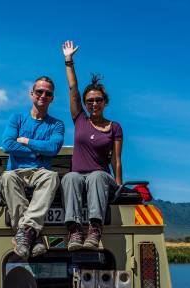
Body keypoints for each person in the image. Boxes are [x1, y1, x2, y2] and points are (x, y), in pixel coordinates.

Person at [61, 40, 123, 251]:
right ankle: (75, 230)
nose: (93, 104)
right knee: (69, 176)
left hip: (101, 178)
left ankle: (95, 229)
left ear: (105, 102)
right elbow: (73, 89)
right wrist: (69, 61)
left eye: (98, 100)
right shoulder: (80, 120)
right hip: (79, 178)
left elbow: (116, 159)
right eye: (89, 101)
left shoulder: (114, 127)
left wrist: (119, 186)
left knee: (96, 175)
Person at [0, 76, 64, 259]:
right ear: (31, 94)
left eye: (48, 93)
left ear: (52, 98)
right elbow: (8, 145)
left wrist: (26, 141)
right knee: (7, 177)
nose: (43, 95)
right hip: (17, 172)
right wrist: (38, 151)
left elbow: (53, 148)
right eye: (39, 91)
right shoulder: (17, 118)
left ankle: (23, 233)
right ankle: (31, 235)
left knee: (52, 176)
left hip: (40, 173)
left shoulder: (57, 124)